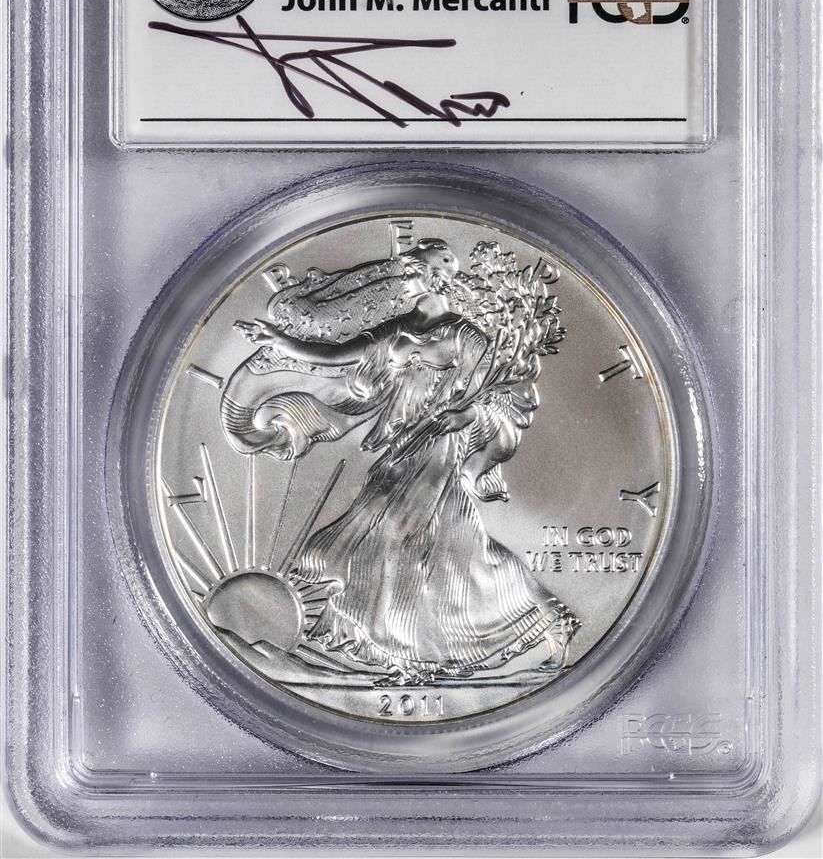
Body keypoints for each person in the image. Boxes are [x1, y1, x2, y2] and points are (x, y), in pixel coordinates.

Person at [221, 239, 579, 684]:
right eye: (407, 271)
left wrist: (466, 414)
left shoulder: (464, 335)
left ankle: (424, 657)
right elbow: (337, 354)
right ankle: (439, 648)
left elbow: (497, 394)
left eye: (413, 271)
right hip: (402, 446)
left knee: (404, 542)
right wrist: (283, 342)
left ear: (436, 278)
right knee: (434, 549)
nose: (404, 279)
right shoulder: (397, 329)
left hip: (440, 448)